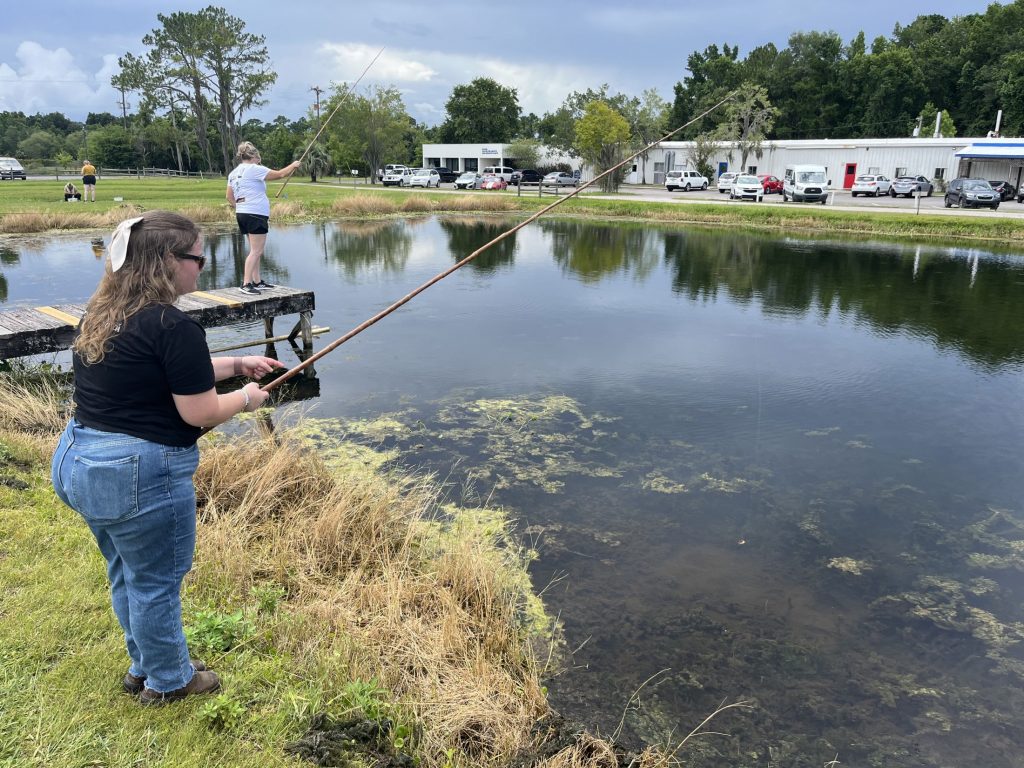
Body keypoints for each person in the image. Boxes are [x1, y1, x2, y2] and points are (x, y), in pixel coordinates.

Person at [50, 211, 285, 704]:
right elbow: (199, 410)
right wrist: (247, 398)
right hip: (137, 476)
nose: (202, 267)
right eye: (197, 258)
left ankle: (145, 665)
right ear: (165, 262)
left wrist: (239, 362)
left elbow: (163, 370)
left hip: (80, 462)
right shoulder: (171, 324)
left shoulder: (105, 313)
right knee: (155, 583)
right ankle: (170, 681)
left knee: (126, 573)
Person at [226, 142, 301, 295]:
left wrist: (240, 207)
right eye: (258, 157)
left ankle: (257, 281)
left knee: (255, 250)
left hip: (242, 213)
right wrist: (294, 165)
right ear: (253, 156)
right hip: (255, 213)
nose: (259, 160)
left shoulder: (233, 173)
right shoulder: (254, 169)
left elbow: (229, 196)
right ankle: (246, 284)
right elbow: (280, 174)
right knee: (256, 251)